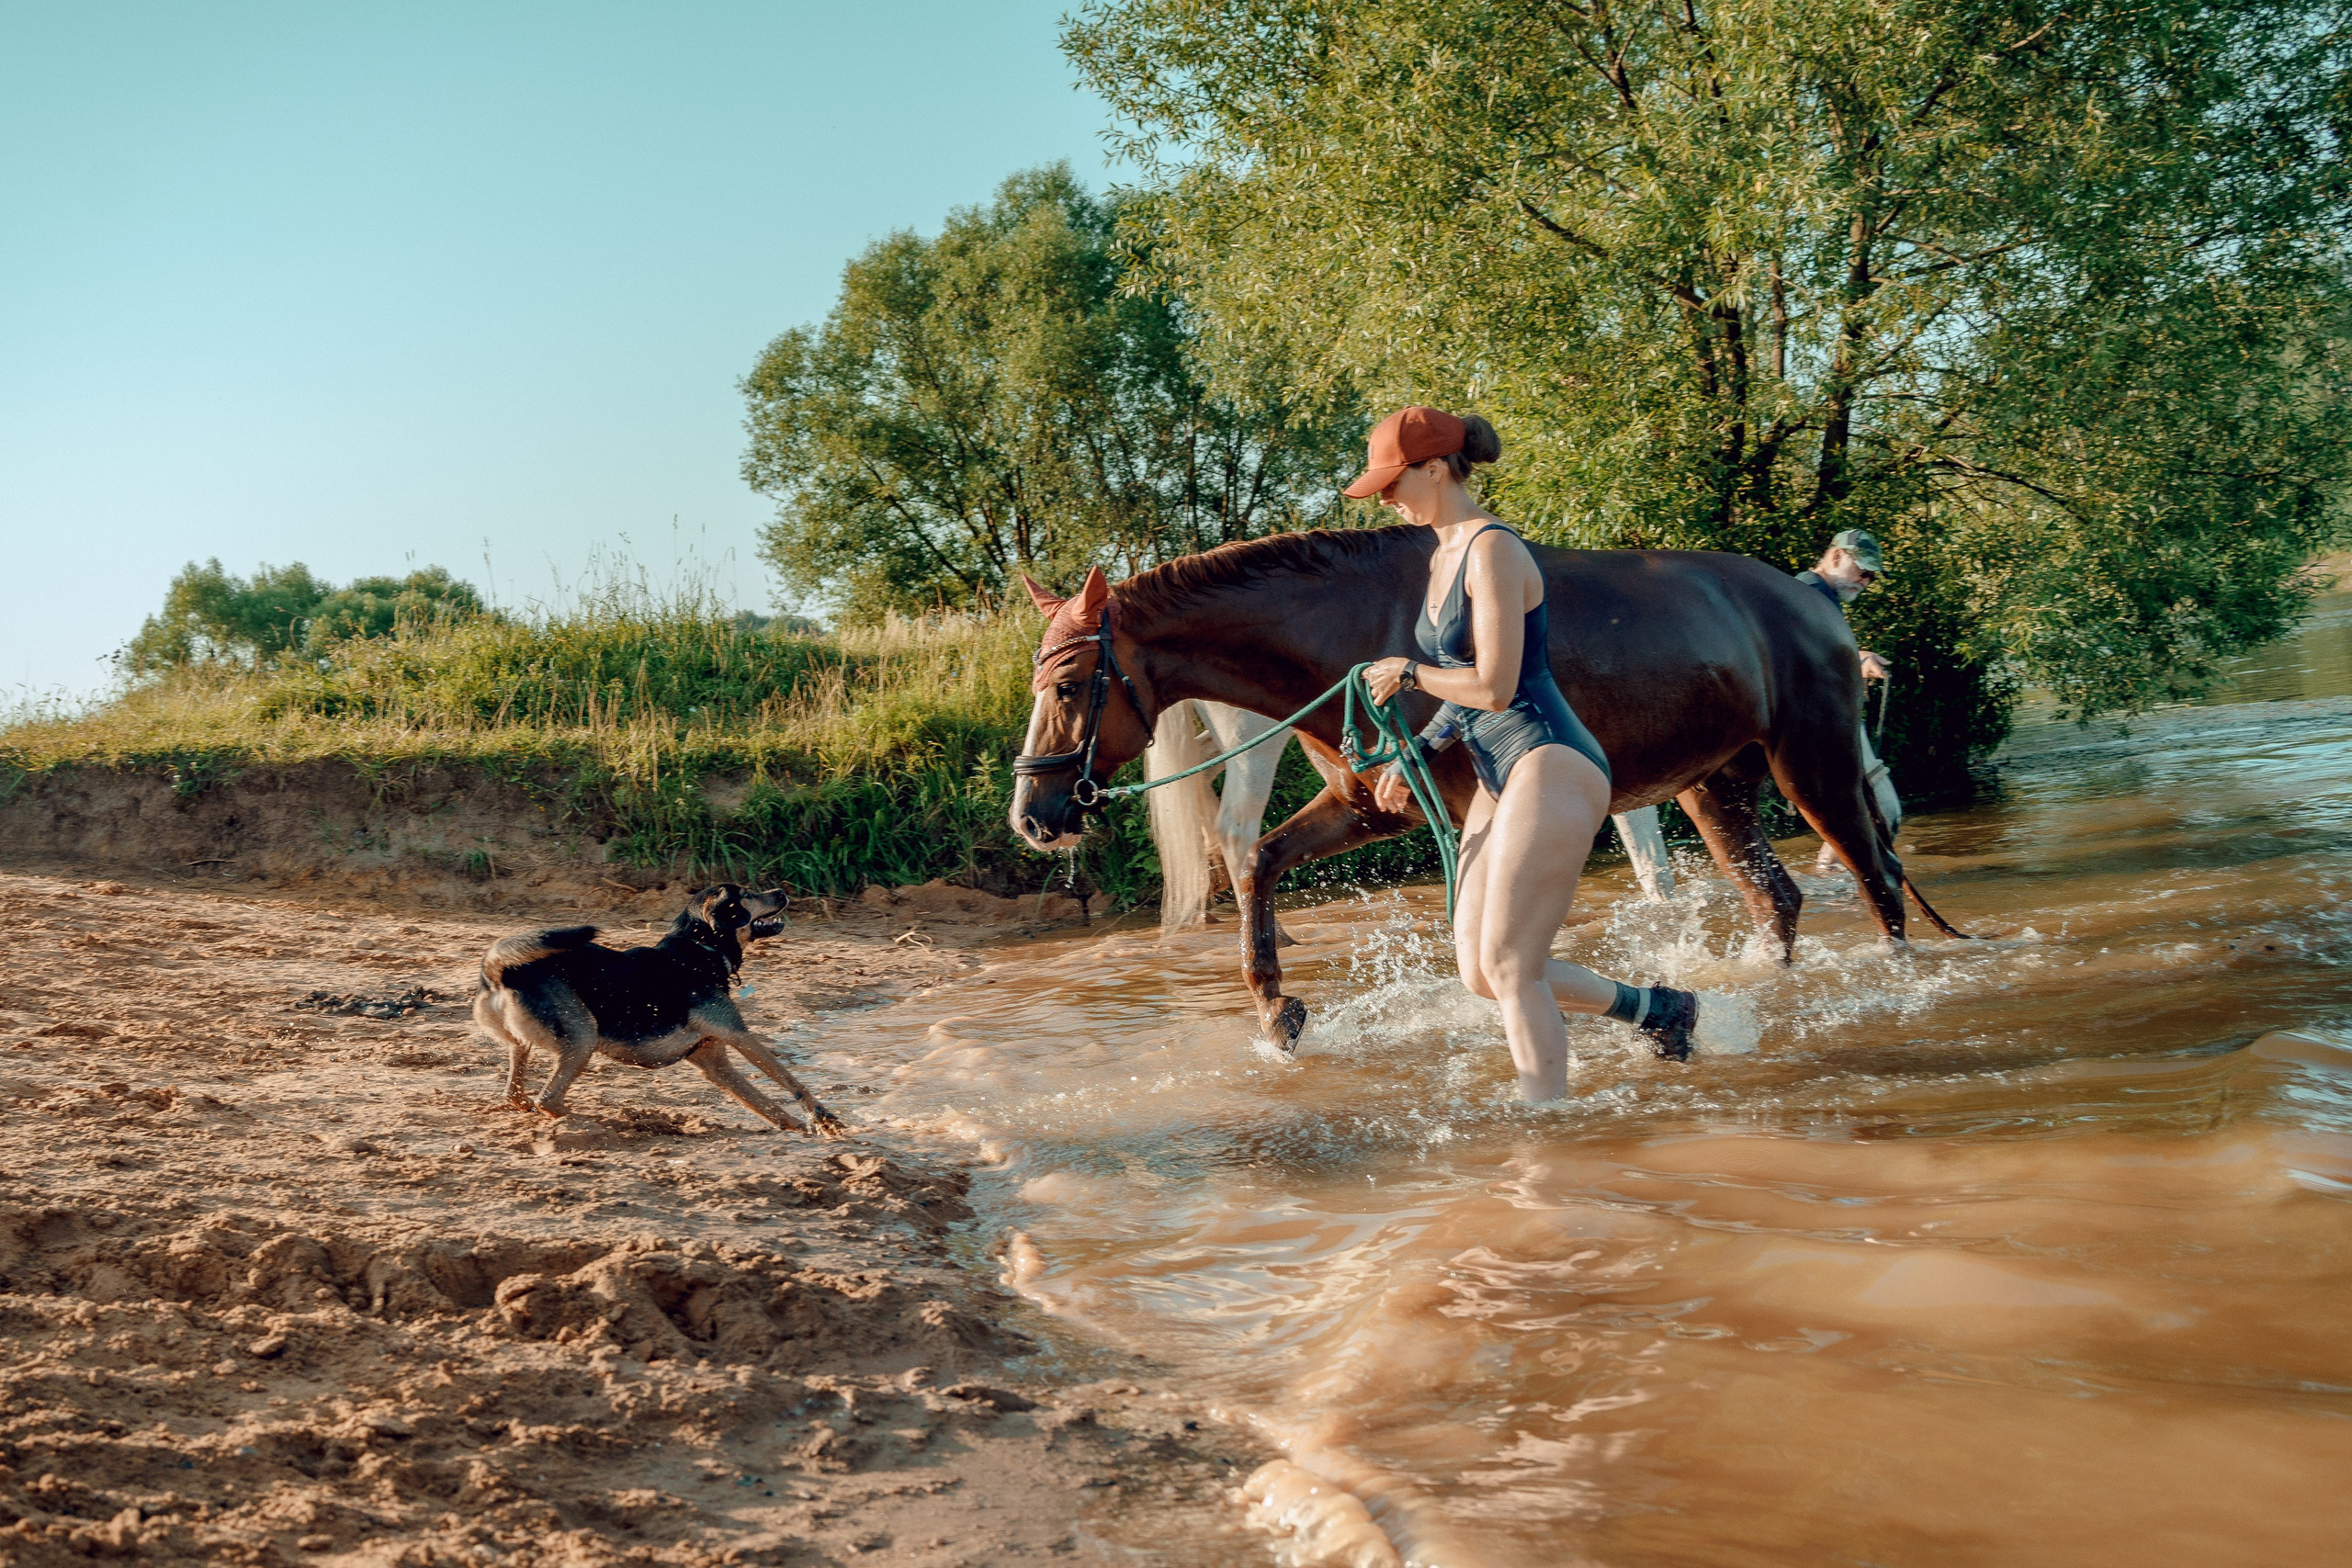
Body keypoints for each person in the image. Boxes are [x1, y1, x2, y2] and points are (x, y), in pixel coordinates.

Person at [1351, 406, 1699, 1095]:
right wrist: (1419, 748)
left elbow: (1497, 682)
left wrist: (1410, 671)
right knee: (1482, 973)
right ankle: (1657, 1010)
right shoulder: (1443, 554)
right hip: (1498, 771)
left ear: (1435, 467)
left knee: (1512, 965)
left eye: (1392, 482)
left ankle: (1544, 1136)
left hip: (1550, 758)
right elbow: (1470, 687)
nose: (1384, 498)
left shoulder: (1492, 549)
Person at [1794, 530, 1903, 863]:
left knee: (1868, 818)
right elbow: (1804, 656)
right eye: (1863, 571)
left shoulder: (1817, 593)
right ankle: (1837, 887)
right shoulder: (1808, 592)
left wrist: (1859, 656)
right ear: (1836, 557)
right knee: (1883, 811)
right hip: (1815, 726)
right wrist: (1858, 661)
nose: (1867, 581)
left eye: (1872, 576)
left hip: (1818, 724)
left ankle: (1833, 888)